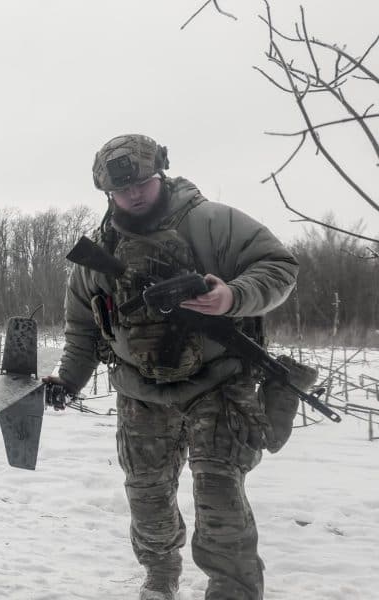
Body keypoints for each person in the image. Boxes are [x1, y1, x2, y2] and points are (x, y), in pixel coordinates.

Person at [47, 134, 300, 600]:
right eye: (122, 190)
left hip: (219, 382)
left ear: (160, 172)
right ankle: (160, 579)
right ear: (106, 192)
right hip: (140, 390)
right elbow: (82, 327)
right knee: (147, 499)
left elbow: (280, 266)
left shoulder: (212, 222)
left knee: (220, 498)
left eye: (142, 182)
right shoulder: (98, 252)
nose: (134, 194)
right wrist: (68, 381)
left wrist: (232, 295)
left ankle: (233, 591)